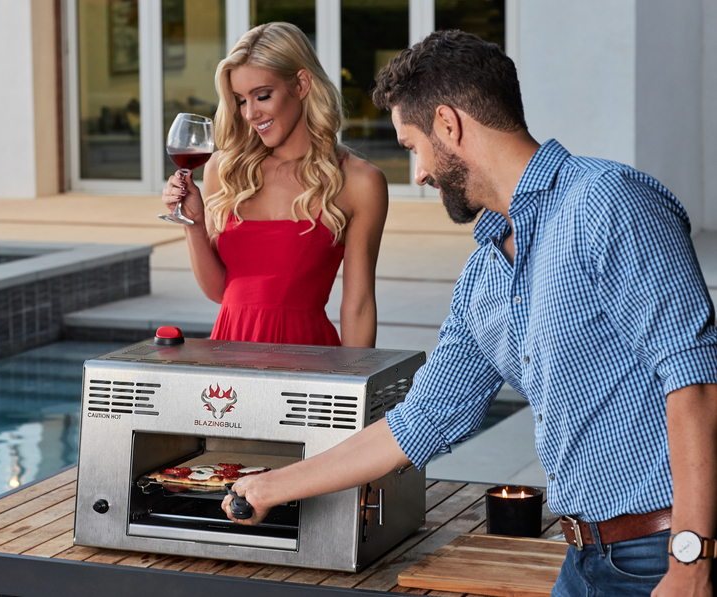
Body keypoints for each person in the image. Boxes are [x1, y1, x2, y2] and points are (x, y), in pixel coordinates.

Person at [222, 30, 717, 596]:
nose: (419, 175)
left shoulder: (607, 202)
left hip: (666, 551)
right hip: (585, 557)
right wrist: (270, 487)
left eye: (413, 147)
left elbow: (695, 380)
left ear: (449, 125)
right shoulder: (486, 273)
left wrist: (691, 560)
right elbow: (419, 422)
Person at [160, 22, 388, 347]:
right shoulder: (223, 170)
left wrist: (357, 388)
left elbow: (360, 305)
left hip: (309, 364)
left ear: (301, 84)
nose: (251, 113)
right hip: (229, 367)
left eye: (262, 96)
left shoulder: (359, 182)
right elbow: (221, 292)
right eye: (240, 100)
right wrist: (194, 223)